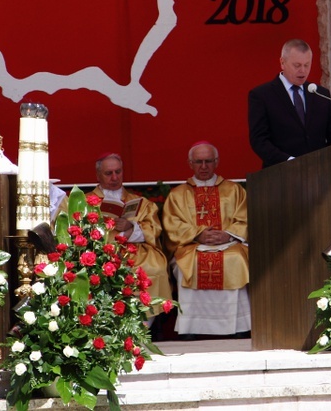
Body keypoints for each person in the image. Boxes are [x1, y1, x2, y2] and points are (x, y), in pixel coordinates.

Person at [162, 142, 250, 339]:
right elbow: (172, 225)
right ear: (190, 163)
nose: (203, 166)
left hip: (229, 244)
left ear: (216, 162)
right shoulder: (178, 194)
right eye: (198, 162)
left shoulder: (234, 190)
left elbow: (245, 218)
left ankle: (238, 326)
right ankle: (191, 327)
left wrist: (228, 234)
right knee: (189, 263)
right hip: (192, 246)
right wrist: (197, 234)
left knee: (235, 259)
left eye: (208, 161)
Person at [89, 153, 172, 310]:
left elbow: (154, 229)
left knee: (155, 268)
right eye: (108, 173)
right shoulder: (86, 201)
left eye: (118, 172)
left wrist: (131, 228)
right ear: (98, 175)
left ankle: (144, 326)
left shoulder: (141, 202)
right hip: (101, 252)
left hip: (136, 250)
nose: (114, 177)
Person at [248, 38, 331, 168]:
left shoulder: (320, 94)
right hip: (280, 174)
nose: (303, 71)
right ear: (282, 63)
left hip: (320, 172)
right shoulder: (262, 95)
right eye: (297, 65)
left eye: (307, 65)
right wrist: (289, 161)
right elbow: (259, 141)